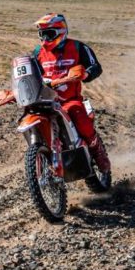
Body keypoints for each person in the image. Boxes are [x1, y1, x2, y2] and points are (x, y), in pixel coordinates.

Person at [33, 13, 111, 173]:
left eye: (49, 34)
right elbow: (30, 74)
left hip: (69, 99)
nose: (46, 39)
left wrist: (85, 74)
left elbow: (95, 66)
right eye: (42, 34)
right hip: (45, 100)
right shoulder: (37, 52)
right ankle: (40, 157)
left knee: (76, 112)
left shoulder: (77, 47)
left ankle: (97, 151)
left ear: (61, 32)